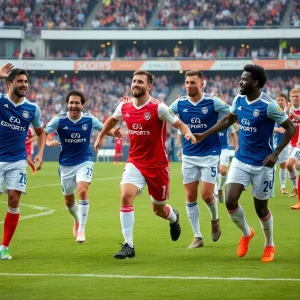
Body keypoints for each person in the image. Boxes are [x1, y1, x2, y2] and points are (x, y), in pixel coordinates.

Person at [195, 64, 295, 262]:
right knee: (230, 200)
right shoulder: (239, 99)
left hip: (263, 164)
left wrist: (275, 153)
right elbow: (228, 119)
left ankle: (269, 245)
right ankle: (247, 233)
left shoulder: (269, 105)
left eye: (244, 79)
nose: (240, 82)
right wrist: (204, 134)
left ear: (255, 82)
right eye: (240, 79)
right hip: (241, 159)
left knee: (261, 209)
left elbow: (290, 128)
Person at [94, 70, 196, 259]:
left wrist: (187, 132)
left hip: (157, 165)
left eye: (140, 82)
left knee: (158, 209)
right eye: (134, 81)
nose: (135, 84)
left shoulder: (159, 108)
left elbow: (179, 124)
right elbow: (111, 120)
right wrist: (101, 136)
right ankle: (129, 245)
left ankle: (173, 217)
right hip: (135, 162)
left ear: (149, 86)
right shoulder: (124, 106)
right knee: (125, 195)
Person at [45, 90, 123, 243]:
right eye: (71, 103)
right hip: (66, 164)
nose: (74, 106)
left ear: (82, 105)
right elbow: (43, 132)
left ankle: (81, 230)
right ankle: (76, 219)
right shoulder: (59, 120)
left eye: (77, 103)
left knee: (82, 189)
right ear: (67, 104)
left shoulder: (89, 119)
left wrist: (115, 133)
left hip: (84, 160)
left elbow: (104, 128)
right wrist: (48, 141)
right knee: (68, 201)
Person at [169, 70, 229, 249]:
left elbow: (230, 116)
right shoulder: (179, 103)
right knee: (190, 196)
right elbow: (162, 113)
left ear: (201, 84)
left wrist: (212, 131)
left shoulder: (213, 102)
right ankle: (197, 236)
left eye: (193, 83)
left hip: (210, 154)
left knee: (207, 195)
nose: (189, 86)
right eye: (187, 82)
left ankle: (215, 219)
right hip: (189, 156)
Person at [0, 64, 46, 260]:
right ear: (9, 84)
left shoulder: (32, 108)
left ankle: (4, 247)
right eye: (19, 81)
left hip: (17, 160)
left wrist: (40, 153)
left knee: (14, 200)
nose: (24, 85)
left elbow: (41, 132)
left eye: (26, 82)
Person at [214, 94, 238, 204]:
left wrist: (236, 147)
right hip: (211, 148)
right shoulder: (209, 117)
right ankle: (213, 191)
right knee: (212, 172)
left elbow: (233, 134)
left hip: (224, 147)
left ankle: (219, 189)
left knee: (223, 171)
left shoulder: (225, 117)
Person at [273, 93, 290, 195]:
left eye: (282, 100)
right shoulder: (271, 113)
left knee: (283, 166)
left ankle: (283, 187)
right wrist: (278, 130)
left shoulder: (288, 113)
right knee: (271, 165)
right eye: (278, 100)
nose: (279, 102)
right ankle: (271, 185)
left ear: (286, 102)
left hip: (284, 144)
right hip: (272, 143)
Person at [285, 88, 300, 199]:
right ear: (289, 98)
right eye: (293, 96)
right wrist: (286, 113)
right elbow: (282, 123)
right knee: (292, 166)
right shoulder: (287, 109)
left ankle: (296, 188)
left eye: (297, 96)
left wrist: (293, 115)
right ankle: (295, 188)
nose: (295, 98)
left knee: (290, 164)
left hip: (299, 144)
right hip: (290, 143)